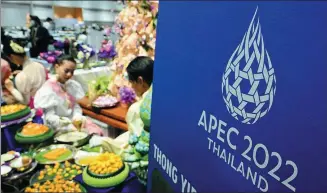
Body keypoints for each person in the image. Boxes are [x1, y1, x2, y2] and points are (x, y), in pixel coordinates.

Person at [34, 55, 103, 135]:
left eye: (72, 72)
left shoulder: (72, 85)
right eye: (66, 71)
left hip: (74, 123)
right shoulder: (48, 89)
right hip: (58, 127)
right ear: (57, 67)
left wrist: (77, 117)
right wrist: (68, 125)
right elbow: (50, 117)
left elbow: (76, 106)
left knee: (95, 132)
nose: (69, 74)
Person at [114, 56, 153, 144]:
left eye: (131, 82)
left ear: (140, 81)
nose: (131, 86)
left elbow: (136, 140)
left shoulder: (136, 109)